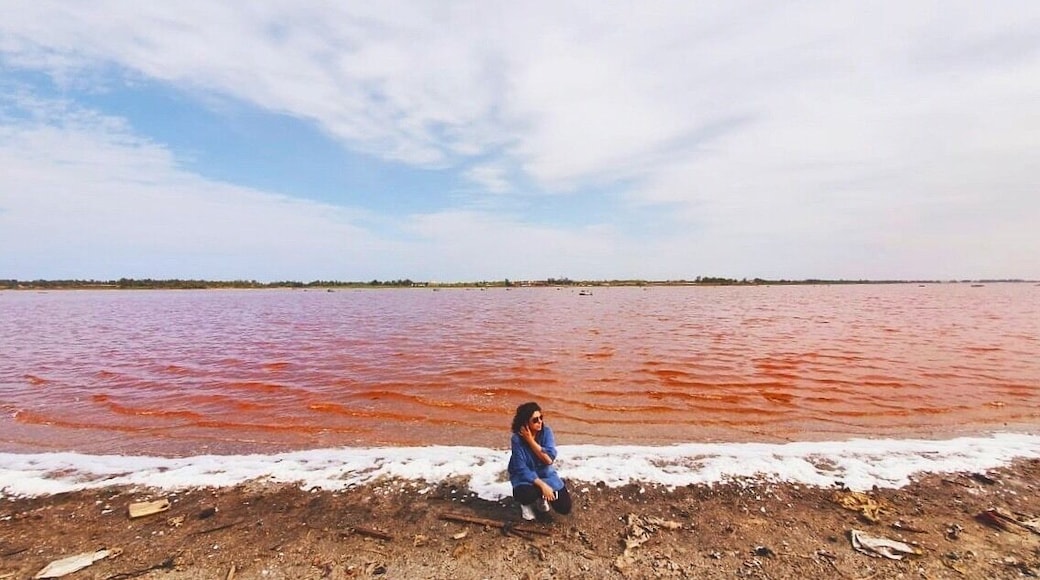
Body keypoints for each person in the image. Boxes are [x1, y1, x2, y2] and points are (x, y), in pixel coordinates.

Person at [507, 402, 572, 521]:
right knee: (526, 494)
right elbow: (521, 469)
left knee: (564, 507)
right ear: (525, 422)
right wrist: (543, 486)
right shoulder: (516, 439)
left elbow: (548, 460)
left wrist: (531, 441)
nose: (540, 422)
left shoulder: (546, 432)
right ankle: (526, 504)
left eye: (541, 418)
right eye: (535, 420)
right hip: (525, 477)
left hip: (545, 473)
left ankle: (541, 497)